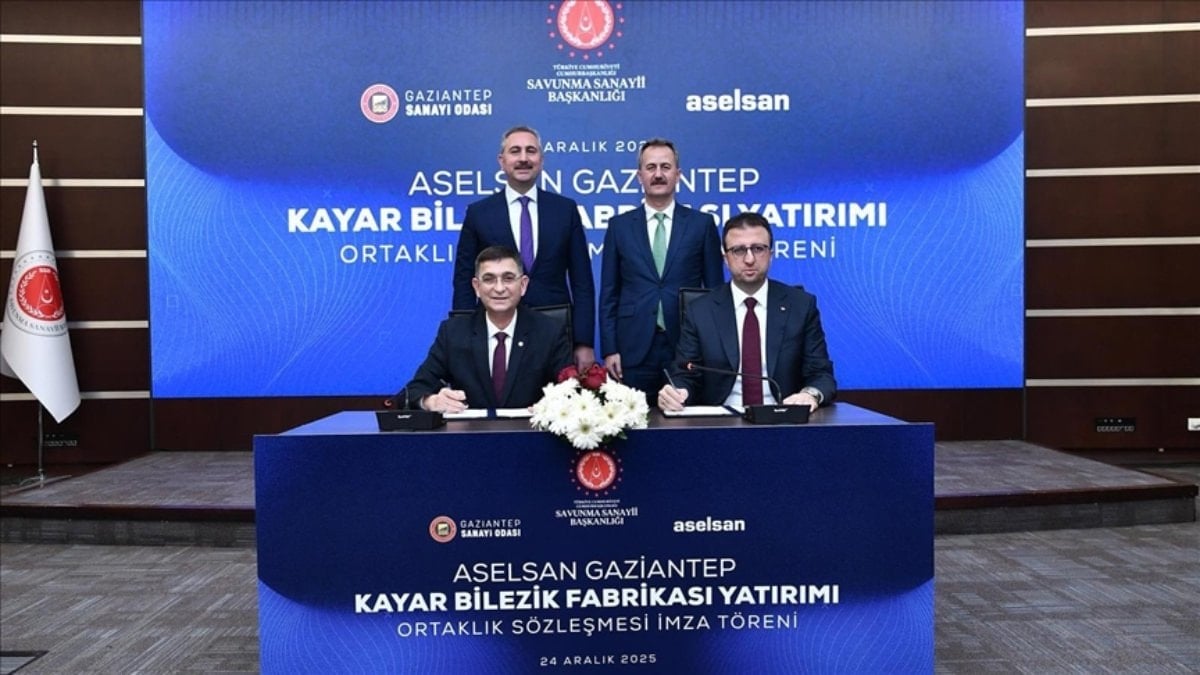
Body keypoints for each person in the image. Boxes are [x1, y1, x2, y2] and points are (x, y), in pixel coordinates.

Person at [658, 212, 836, 412]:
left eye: (758, 249)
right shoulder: (700, 311)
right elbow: (685, 373)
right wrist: (678, 393)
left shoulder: (801, 306)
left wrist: (810, 394)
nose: (749, 259)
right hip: (721, 422)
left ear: (771, 254)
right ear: (726, 258)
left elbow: (821, 374)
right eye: (739, 250)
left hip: (782, 419)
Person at [453, 125, 595, 368]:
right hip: (496, 331)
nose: (523, 158)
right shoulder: (479, 213)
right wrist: (463, 337)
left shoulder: (565, 210)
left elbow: (582, 282)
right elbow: (464, 279)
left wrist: (584, 342)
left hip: (555, 332)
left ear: (541, 159)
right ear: (501, 161)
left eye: (531, 151)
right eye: (515, 151)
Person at [600, 138, 723, 401]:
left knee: (684, 418)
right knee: (632, 420)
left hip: (687, 346)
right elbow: (609, 293)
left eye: (665, 167)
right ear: (639, 176)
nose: (658, 174)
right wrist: (610, 349)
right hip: (632, 347)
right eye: (651, 167)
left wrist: (712, 347)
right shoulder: (619, 226)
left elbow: (715, 293)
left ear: (678, 174)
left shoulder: (701, 224)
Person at [405, 246, 572, 412]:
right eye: (489, 279)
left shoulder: (550, 332)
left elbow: (572, 393)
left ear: (523, 285)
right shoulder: (453, 333)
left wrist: (552, 407)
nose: (499, 288)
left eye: (508, 278)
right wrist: (430, 401)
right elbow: (415, 390)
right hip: (470, 430)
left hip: (530, 428)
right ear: (477, 287)